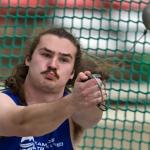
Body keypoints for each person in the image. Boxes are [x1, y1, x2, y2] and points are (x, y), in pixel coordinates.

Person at [0, 28, 107, 150]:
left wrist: (93, 93)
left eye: (64, 59)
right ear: (28, 59)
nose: (53, 64)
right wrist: (74, 101)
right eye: (46, 55)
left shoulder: (73, 113)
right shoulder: (3, 102)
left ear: (72, 72)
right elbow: (22, 123)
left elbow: (90, 119)